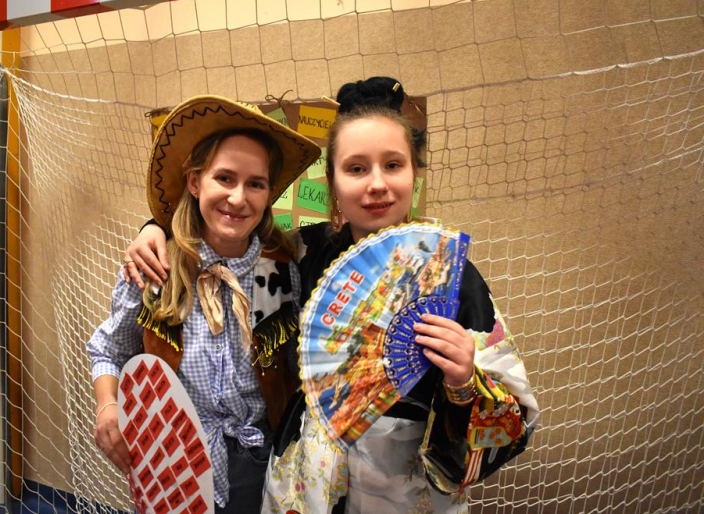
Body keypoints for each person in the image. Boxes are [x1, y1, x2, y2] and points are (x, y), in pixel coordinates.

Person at [123, 79, 539, 513]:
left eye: (393, 165)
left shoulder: (452, 276)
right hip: (309, 483)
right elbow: (228, 234)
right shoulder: (305, 253)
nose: (376, 184)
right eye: (356, 169)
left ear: (415, 173)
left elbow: (515, 418)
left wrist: (465, 381)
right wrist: (156, 229)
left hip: (405, 490)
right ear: (333, 183)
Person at [87, 95, 322, 513]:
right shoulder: (156, 267)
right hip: (170, 462)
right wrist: (108, 405)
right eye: (224, 178)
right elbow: (109, 350)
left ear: (269, 193)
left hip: (262, 464)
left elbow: (298, 368)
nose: (238, 198)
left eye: (256, 184)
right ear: (195, 182)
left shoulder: (284, 270)